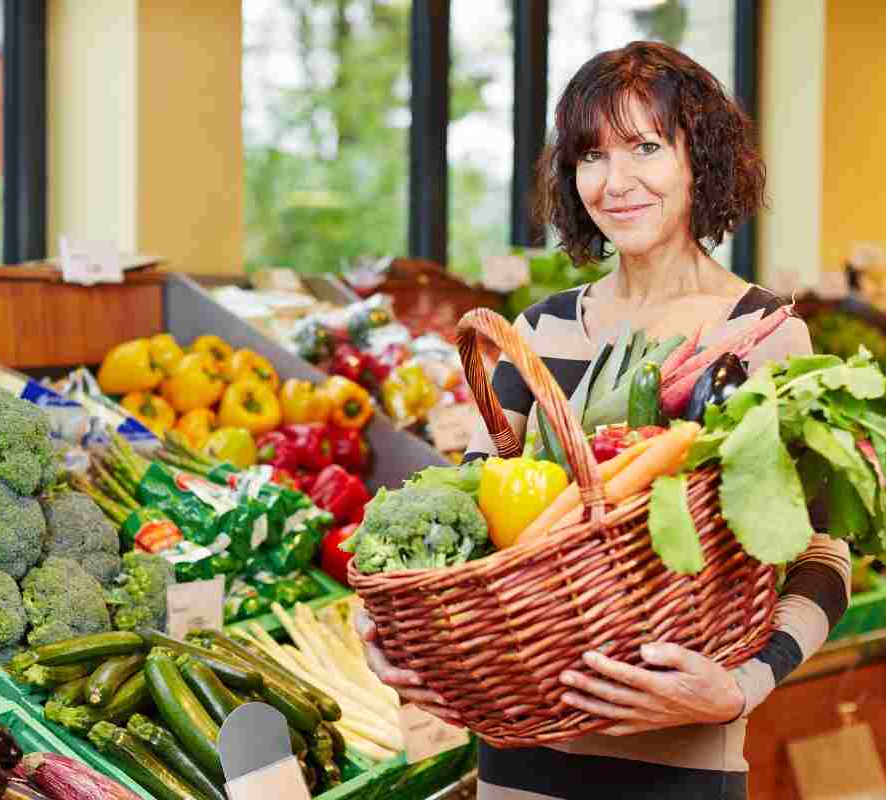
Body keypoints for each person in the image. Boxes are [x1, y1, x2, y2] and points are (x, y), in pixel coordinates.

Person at [356, 41, 851, 799]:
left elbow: (823, 555)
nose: (616, 182)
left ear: (702, 160)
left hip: (679, 763)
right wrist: (391, 624)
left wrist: (744, 685)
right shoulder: (542, 330)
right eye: (592, 155)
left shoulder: (762, 334)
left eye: (646, 148)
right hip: (516, 759)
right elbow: (477, 528)